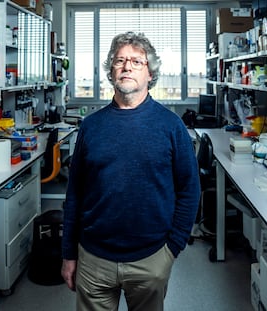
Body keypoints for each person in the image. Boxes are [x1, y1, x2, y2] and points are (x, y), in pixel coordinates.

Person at [61, 31, 200, 311]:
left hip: (151, 257)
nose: (127, 66)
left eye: (137, 62)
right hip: (93, 258)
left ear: (151, 74)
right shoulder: (90, 126)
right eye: (120, 60)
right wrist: (68, 254)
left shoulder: (171, 126)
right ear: (111, 72)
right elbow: (75, 193)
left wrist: (172, 248)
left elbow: (189, 189)